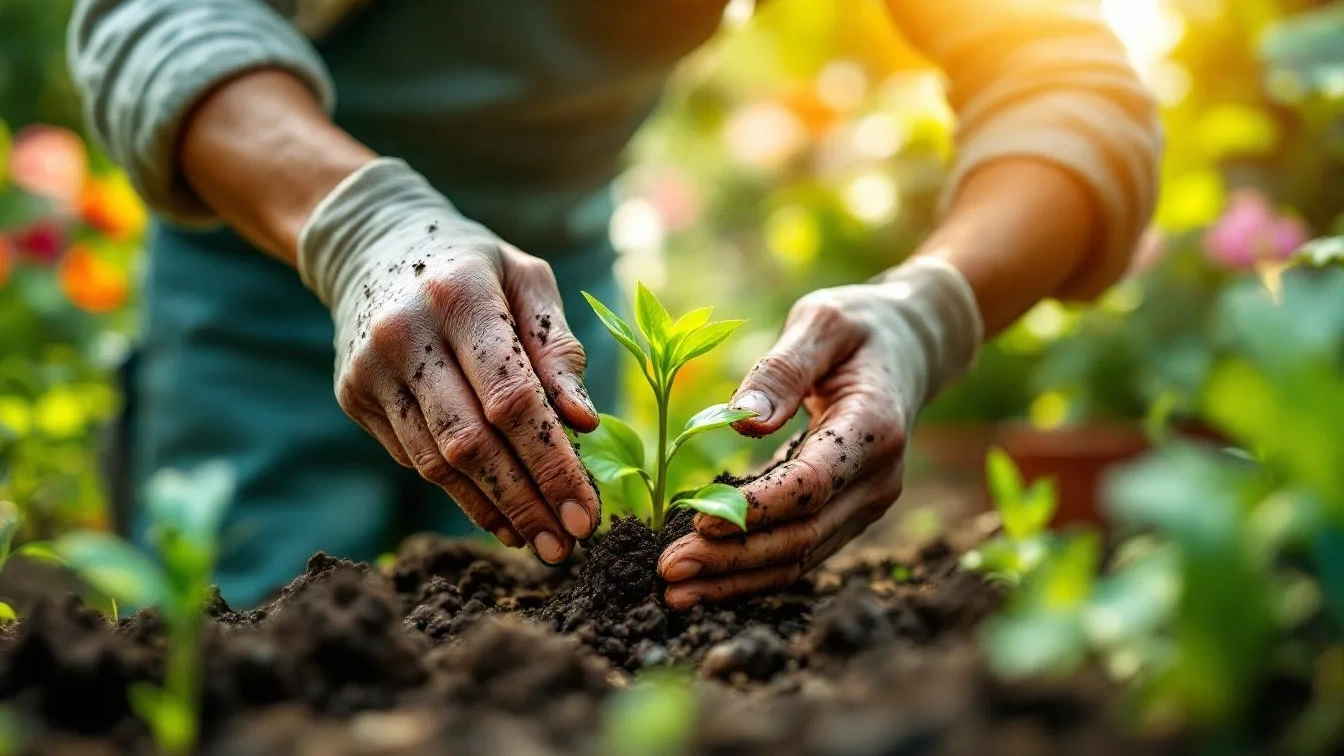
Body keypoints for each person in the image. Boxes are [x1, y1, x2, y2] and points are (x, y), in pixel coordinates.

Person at [69, 0, 1160, 609]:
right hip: (266, 267)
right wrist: (361, 226)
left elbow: (1068, 81)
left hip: (542, 326)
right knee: (252, 644)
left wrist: (930, 313)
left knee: (551, 632)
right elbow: (154, 18)